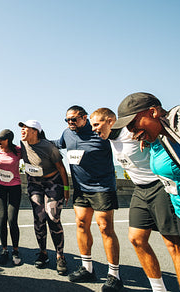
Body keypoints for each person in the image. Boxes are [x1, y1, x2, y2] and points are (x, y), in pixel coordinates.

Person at [92, 107, 180, 292]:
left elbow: (161, 132)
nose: (94, 129)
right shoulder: (109, 139)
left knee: (174, 245)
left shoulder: (131, 133)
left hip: (160, 187)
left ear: (111, 121)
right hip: (140, 190)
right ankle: (158, 289)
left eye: (97, 124)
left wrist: (150, 141)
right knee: (136, 239)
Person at [112, 92, 180, 261]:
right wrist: (148, 136)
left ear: (153, 112)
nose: (132, 132)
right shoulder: (157, 138)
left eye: (133, 124)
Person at [53, 105, 123, 292]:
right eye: (67, 120)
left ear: (84, 118)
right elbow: (55, 144)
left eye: (74, 119)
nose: (70, 123)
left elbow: (122, 143)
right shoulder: (67, 134)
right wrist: (32, 142)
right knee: (82, 224)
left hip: (102, 187)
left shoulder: (101, 133)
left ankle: (114, 275)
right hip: (81, 189)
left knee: (105, 228)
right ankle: (87, 268)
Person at [20, 120, 69, 275]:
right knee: (39, 218)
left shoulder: (49, 147)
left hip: (53, 183)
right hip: (34, 184)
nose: (22, 131)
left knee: (53, 217)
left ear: (35, 131)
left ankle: (60, 256)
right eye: (21, 128)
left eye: (25, 128)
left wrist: (67, 189)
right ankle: (43, 253)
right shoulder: (22, 145)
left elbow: (62, 168)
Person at [0, 129, 22, 265]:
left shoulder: (18, 150)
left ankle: (15, 250)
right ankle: (4, 249)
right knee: (2, 217)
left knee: (12, 219)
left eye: (2, 139)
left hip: (15, 187)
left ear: (9, 140)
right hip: (0, 187)